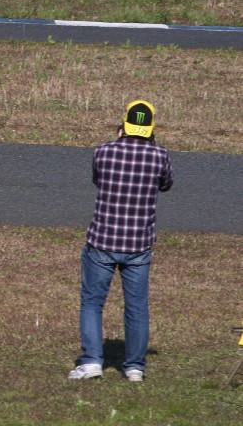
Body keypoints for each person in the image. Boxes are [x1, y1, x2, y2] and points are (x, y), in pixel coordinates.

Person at [68, 100, 174, 383]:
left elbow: (98, 180)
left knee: (92, 302)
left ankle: (92, 361)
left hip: (102, 241)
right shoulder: (160, 156)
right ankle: (135, 366)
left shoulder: (103, 151)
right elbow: (166, 184)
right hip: (138, 244)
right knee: (136, 307)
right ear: (150, 129)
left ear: (123, 126)